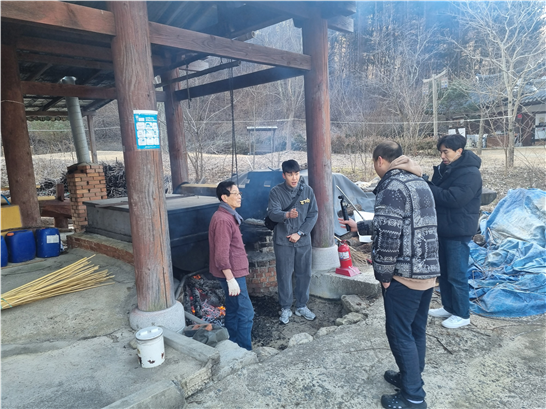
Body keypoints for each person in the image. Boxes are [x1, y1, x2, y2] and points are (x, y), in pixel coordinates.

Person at [340, 141, 440, 409]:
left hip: (404, 275)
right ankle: (411, 378)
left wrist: (384, 275)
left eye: (374, 163)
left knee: (399, 333)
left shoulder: (392, 186)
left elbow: (389, 236)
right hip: (427, 270)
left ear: (380, 160)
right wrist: (360, 226)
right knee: (415, 330)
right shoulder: (418, 182)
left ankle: (413, 397)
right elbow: (399, 222)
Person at [427, 134, 482, 329]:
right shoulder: (444, 169)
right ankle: (449, 307)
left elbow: (454, 199)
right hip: (443, 228)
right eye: (441, 152)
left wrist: (428, 187)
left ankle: (462, 313)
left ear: (459, 151)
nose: (442, 156)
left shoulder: (470, 173)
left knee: (456, 274)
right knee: (443, 272)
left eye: (446, 152)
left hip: (458, 230)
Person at [267, 159, 318, 325]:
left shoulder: (307, 191)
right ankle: (286, 307)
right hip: (283, 241)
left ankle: (302, 306)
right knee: (284, 275)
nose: (294, 177)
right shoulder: (276, 192)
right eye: (290, 174)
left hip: (302, 240)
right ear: (284, 175)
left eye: (296, 174)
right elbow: (272, 213)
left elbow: (313, 214)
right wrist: (287, 215)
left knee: (304, 273)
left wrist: (300, 233)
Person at [208, 181, 254, 350]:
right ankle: (244, 349)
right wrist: (230, 279)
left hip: (233, 272)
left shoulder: (228, 215)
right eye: (235, 193)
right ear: (224, 197)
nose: (239, 196)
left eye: (239, 193)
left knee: (233, 308)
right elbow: (221, 254)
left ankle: (232, 344)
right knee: (246, 312)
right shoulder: (223, 220)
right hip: (232, 273)